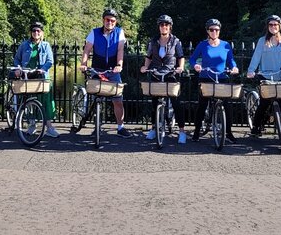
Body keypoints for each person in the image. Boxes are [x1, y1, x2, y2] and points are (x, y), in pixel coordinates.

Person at [79, 8, 133, 138]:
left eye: (113, 20)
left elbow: (120, 50)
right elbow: (87, 50)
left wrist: (119, 65)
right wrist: (84, 64)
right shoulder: (94, 32)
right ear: (103, 20)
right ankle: (96, 126)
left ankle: (121, 127)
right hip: (97, 69)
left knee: (117, 100)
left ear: (116, 22)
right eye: (107, 20)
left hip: (112, 69)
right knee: (96, 98)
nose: (110, 22)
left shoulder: (119, 33)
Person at [247, 14, 281, 141]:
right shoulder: (262, 41)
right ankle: (256, 126)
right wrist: (251, 71)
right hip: (266, 76)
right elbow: (256, 57)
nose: (273, 27)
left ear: (280, 26)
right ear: (267, 26)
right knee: (264, 103)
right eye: (271, 25)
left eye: (275, 24)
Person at [189, 19, 239, 143]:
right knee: (202, 104)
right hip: (206, 77)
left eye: (217, 29)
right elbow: (192, 59)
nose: (214, 32)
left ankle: (228, 132)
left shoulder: (226, 45)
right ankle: (196, 131)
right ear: (207, 31)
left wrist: (234, 67)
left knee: (227, 105)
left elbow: (231, 60)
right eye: (211, 29)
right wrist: (196, 66)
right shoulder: (202, 45)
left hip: (222, 77)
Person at [139, 14, 187, 143]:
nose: (164, 27)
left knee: (176, 102)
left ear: (170, 27)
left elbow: (180, 56)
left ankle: (182, 132)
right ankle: (154, 129)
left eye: (166, 25)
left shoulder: (176, 41)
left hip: (170, 74)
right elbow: (148, 57)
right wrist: (145, 67)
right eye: (161, 25)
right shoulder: (153, 41)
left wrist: (180, 67)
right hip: (156, 73)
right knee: (154, 102)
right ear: (159, 27)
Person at [12, 22, 59, 138]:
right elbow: (17, 59)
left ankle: (49, 126)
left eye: (38, 31)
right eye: (34, 31)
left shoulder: (46, 45)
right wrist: (18, 69)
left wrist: (43, 69)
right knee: (28, 101)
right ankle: (32, 124)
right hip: (27, 75)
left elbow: (50, 61)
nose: (36, 33)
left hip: (41, 76)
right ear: (31, 33)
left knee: (46, 101)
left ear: (42, 33)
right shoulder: (24, 45)